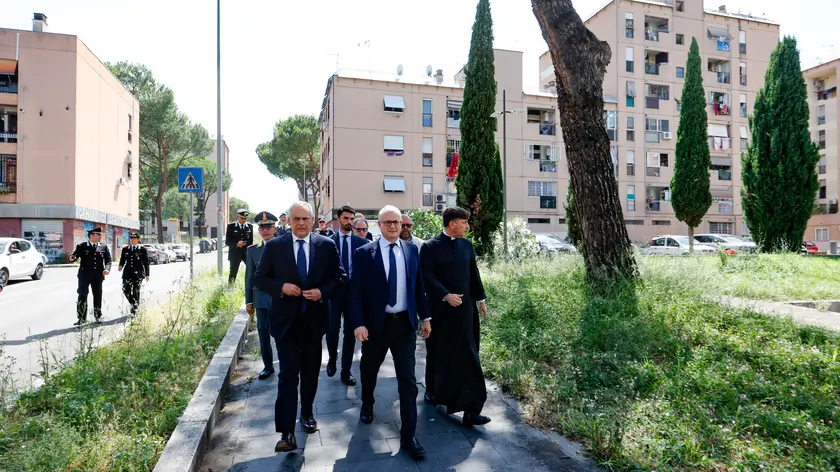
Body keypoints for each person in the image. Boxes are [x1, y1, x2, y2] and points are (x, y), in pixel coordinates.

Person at [254, 201, 347, 453]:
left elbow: (339, 279)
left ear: (313, 219)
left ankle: (306, 413)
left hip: (314, 323)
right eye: (296, 219)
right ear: (289, 221)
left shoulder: (326, 246)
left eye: (305, 218)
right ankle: (286, 432)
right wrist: (281, 287)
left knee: (309, 373)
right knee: (287, 376)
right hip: (285, 323)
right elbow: (260, 278)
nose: (301, 223)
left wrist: (321, 292)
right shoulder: (275, 246)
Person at [350, 205, 431, 460]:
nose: (394, 226)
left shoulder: (411, 250)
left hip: (404, 325)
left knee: (408, 382)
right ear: (379, 226)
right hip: (375, 326)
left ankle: (409, 436)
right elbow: (355, 292)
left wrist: (425, 317)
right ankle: (367, 402)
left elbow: (419, 287)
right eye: (388, 222)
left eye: (397, 222)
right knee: (369, 370)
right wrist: (358, 323)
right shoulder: (364, 253)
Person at [419, 206, 491, 427]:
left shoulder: (467, 246)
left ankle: (472, 410)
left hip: (466, 314)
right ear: (452, 224)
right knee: (439, 355)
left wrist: (481, 299)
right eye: (464, 222)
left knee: (470, 357)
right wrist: (444, 295)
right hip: (441, 315)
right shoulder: (430, 247)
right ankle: (432, 391)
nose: (467, 226)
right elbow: (426, 277)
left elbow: (473, 273)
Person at [326, 205, 369, 385]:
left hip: (353, 295)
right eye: (346, 219)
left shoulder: (362, 243)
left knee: (350, 334)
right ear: (338, 220)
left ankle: (346, 371)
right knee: (332, 330)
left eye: (352, 219)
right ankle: (331, 358)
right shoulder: (327, 242)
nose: (349, 222)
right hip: (334, 294)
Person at [245, 211, 278, 381]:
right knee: (263, 333)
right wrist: (249, 301)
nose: (265, 230)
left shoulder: (283, 246)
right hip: (261, 299)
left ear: (275, 228)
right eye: (262, 227)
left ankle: (286, 363)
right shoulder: (252, 251)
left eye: (268, 226)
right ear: (259, 230)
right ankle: (268, 366)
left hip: (281, 298)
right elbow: (249, 277)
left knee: (282, 332)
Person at [69, 227, 112, 326]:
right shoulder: (82, 246)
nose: (100, 236)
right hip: (84, 276)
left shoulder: (103, 247)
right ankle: (81, 318)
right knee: (82, 296)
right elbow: (74, 256)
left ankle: (98, 316)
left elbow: (109, 260)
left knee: (97, 296)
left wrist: (107, 269)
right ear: (92, 235)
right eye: (99, 234)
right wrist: (71, 258)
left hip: (98, 276)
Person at [118, 232, 149, 317]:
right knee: (125, 289)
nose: (132, 240)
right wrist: (121, 265)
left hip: (138, 274)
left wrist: (147, 274)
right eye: (131, 238)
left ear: (138, 239)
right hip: (127, 273)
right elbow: (122, 259)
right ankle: (134, 304)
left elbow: (146, 263)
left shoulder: (142, 249)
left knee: (136, 291)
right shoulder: (125, 249)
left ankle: (134, 310)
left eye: (134, 238)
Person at [225, 209, 253, 284]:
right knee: (233, 272)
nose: (243, 220)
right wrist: (236, 244)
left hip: (246, 253)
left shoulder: (250, 227)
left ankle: (251, 286)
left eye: (245, 218)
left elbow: (251, 242)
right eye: (242, 218)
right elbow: (227, 242)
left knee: (252, 269)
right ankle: (230, 288)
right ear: (238, 217)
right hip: (234, 253)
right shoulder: (231, 226)